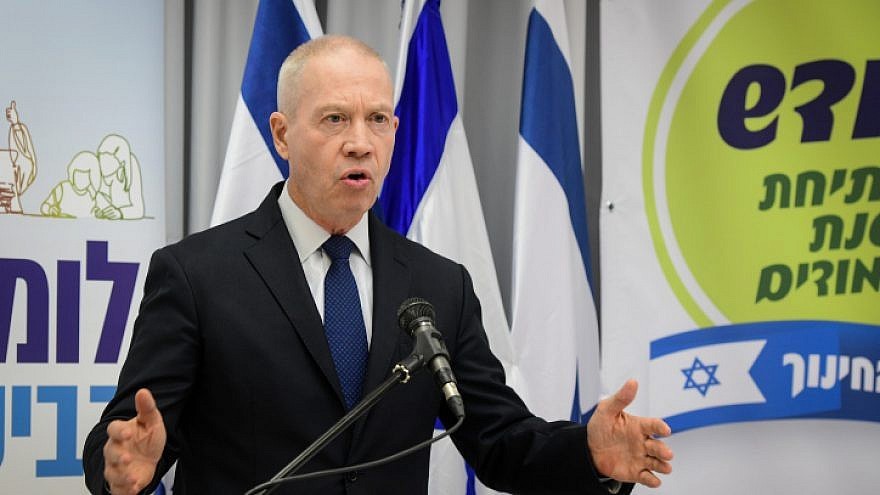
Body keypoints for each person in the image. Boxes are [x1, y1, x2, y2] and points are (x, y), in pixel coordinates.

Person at [83, 35, 673, 495]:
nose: (361, 142)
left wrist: (588, 455)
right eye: (335, 119)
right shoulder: (196, 275)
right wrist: (123, 470)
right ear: (282, 135)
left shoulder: (440, 284)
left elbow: (498, 440)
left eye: (379, 119)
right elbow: (124, 441)